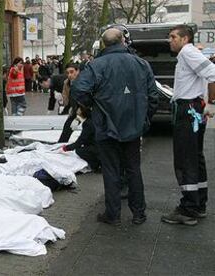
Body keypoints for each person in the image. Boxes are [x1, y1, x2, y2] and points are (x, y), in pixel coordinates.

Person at [71, 28, 159, 226]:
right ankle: (139, 213)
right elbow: (153, 96)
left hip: (107, 126)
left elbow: (78, 89)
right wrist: (144, 119)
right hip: (133, 126)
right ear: (123, 40)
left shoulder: (96, 65)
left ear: (104, 44)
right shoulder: (141, 63)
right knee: (133, 169)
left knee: (111, 170)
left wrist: (94, 105)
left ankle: (113, 214)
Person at [161, 25, 215, 226]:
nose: (170, 40)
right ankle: (198, 204)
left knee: (185, 160)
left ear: (185, 39)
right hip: (193, 108)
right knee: (195, 157)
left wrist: (212, 103)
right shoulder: (189, 54)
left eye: (173, 37)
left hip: (188, 111)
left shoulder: (188, 52)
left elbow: (213, 73)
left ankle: (189, 209)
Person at [60, 105, 100, 171]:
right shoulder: (92, 120)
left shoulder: (87, 124)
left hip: (96, 147)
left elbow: (81, 140)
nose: (77, 110)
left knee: (80, 151)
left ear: (82, 111)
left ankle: (96, 165)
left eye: (78, 109)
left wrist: (67, 148)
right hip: (99, 145)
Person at [57, 63, 81, 143]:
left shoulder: (84, 82)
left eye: (72, 72)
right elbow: (66, 99)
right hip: (75, 109)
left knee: (88, 130)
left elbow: (87, 103)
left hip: (86, 111)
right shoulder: (66, 83)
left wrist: (79, 118)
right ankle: (61, 144)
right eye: (67, 73)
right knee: (67, 126)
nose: (69, 75)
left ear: (77, 71)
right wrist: (61, 101)